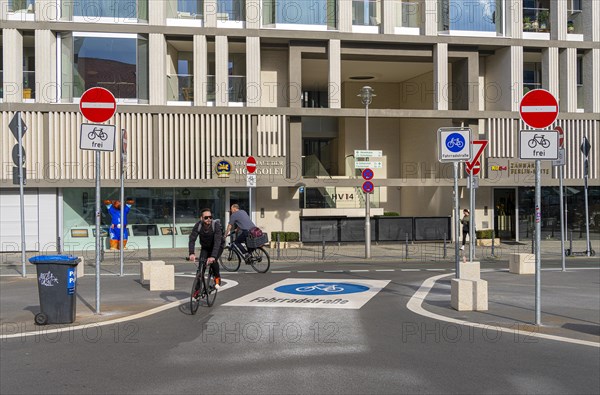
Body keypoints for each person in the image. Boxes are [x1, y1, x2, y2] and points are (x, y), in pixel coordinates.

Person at [188, 208, 224, 288]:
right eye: (206, 217)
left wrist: (213, 256)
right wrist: (191, 253)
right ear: (201, 218)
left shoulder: (216, 225)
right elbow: (192, 239)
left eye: (210, 217)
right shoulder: (198, 225)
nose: (208, 219)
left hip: (218, 246)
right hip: (205, 247)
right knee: (201, 268)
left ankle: (217, 278)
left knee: (213, 261)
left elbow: (217, 242)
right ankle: (197, 290)